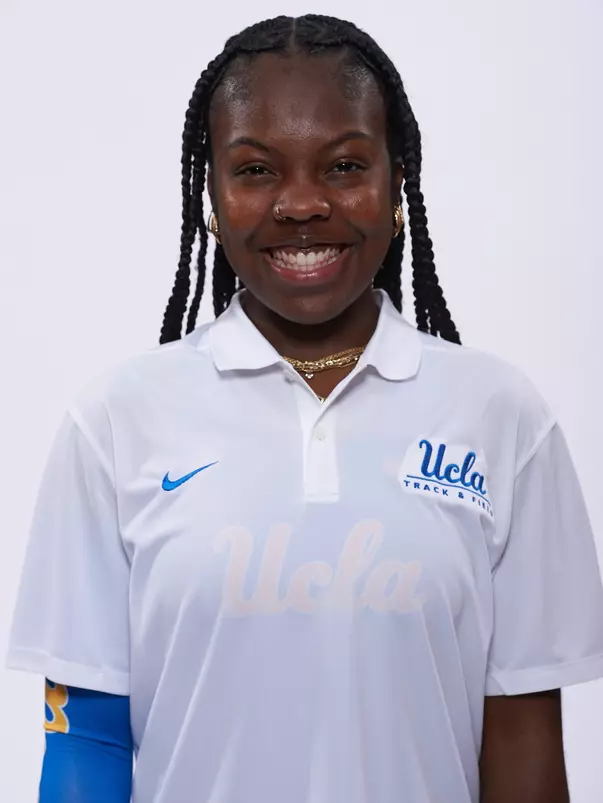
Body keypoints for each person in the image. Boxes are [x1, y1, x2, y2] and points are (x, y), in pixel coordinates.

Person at [6, 13, 603, 803]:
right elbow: (85, 735)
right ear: (211, 195)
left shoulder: (499, 417)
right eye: (255, 171)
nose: (300, 204)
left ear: (397, 183)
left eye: (344, 164)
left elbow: (524, 740)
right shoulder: (117, 421)